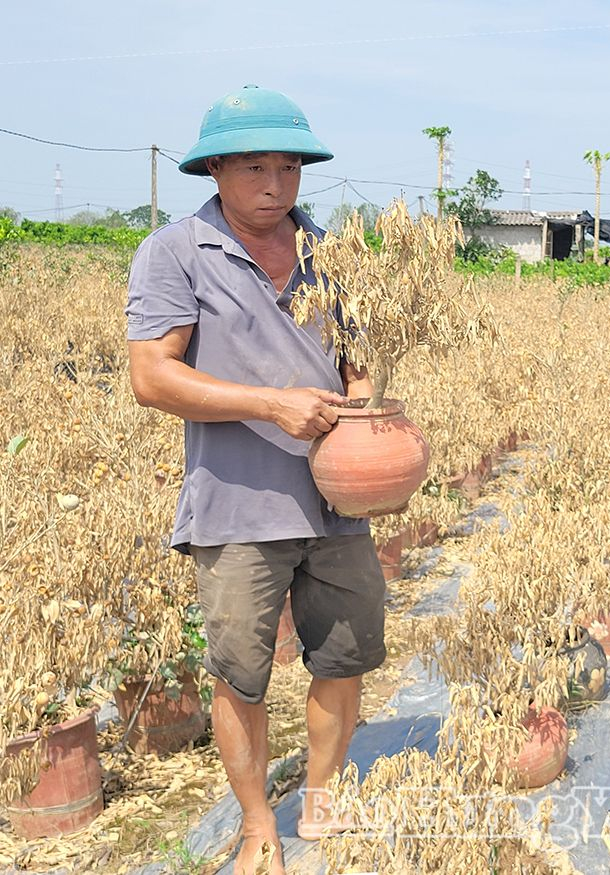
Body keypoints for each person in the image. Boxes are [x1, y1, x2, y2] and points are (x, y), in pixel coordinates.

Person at [126, 85, 385, 875]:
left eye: (289, 166)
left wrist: (367, 423)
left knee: (344, 655)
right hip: (238, 506)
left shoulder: (331, 252)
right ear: (214, 171)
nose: (275, 183)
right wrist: (272, 405)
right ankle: (254, 825)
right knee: (241, 672)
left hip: (336, 505)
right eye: (254, 167)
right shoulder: (175, 253)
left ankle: (321, 795)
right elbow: (151, 378)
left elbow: (359, 365)